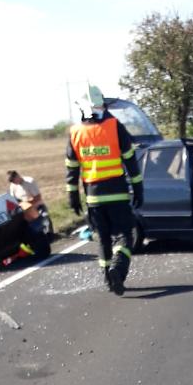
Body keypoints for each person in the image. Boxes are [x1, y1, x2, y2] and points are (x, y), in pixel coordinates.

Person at [66, 84, 143, 296]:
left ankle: (109, 280)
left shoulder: (75, 133)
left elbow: (71, 168)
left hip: (93, 198)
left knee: (103, 239)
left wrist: (72, 196)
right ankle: (117, 270)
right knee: (124, 236)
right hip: (117, 193)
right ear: (102, 105)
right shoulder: (114, 126)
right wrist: (138, 187)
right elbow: (130, 160)